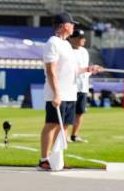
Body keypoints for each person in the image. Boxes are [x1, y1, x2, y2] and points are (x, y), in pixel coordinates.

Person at [37, 14, 102, 171]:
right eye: (71, 24)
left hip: (71, 92)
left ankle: (57, 158)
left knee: (64, 126)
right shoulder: (52, 43)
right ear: (64, 25)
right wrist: (56, 94)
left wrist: (88, 69)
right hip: (58, 93)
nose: (73, 26)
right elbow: (51, 70)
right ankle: (44, 159)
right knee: (51, 124)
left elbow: (73, 70)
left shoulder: (66, 45)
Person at [68, 29, 90, 143]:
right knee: (68, 113)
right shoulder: (67, 51)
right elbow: (71, 70)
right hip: (71, 86)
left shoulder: (84, 51)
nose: (83, 40)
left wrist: (92, 70)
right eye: (81, 38)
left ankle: (75, 135)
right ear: (73, 39)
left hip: (83, 86)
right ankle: (64, 135)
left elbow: (86, 68)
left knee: (80, 112)